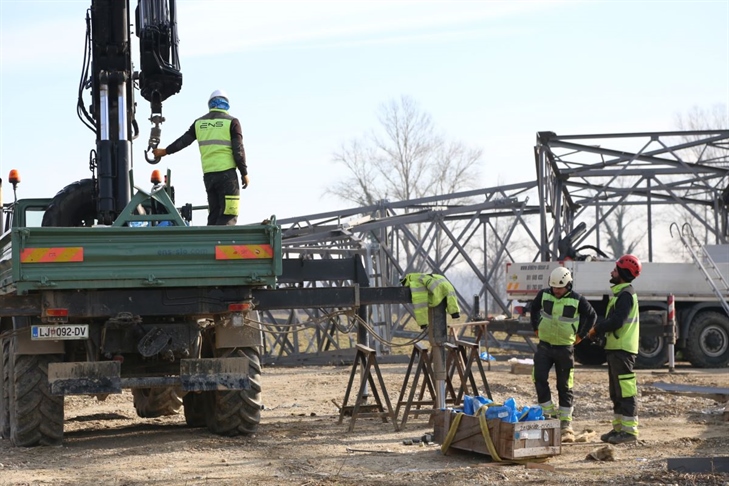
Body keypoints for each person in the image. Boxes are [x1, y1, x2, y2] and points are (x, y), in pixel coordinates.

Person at [152, 89, 248, 226]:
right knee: (229, 214)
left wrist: (165, 151)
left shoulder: (199, 123)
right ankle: (221, 245)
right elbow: (238, 150)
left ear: (210, 104)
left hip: (209, 176)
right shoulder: (232, 122)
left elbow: (183, 141)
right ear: (227, 104)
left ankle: (209, 243)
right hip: (227, 175)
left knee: (214, 213)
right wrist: (244, 173)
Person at [530, 267, 597, 442]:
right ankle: (548, 414)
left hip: (565, 348)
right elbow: (534, 309)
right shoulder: (544, 295)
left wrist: (581, 335)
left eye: (559, 288)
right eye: (553, 288)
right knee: (539, 378)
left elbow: (591, 316)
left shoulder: (578, 300)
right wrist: (536, 326)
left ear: (568, 285)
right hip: (544, 347)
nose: (556, 291)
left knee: (564, 385)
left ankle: (566, 423)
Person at [588, 254, 642, 445]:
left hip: (622, 349)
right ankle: (619, 429)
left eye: (615, 269)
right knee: (617, 391)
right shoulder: (621, 293)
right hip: (617, 348)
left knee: (625, 392)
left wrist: (597, 329)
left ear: (623, 273)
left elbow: (617, 321)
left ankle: (629, 432)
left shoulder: (625, 295)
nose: (612, 271)